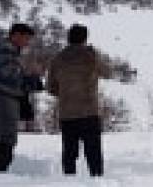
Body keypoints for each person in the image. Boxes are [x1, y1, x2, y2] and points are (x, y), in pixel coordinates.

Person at [48, 24, 112, 177]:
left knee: (69, 151)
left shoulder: (57, 59)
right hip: (89, 111)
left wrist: (65, 93)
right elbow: (107, 72)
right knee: (93, 151)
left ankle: (69, 179)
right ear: (85, 38)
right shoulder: (90, 56)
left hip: (67, 113)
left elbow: (50, 87)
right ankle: (96, 179)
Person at [0, 22, 43, 171]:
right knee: (5, 139)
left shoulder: (11, 53)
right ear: (16, 35)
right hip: (4, 101)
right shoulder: (4, 51)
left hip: (8, 101)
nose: (27, 43)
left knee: (7, 138)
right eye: (26, 38)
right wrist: (30, 79)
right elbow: (7, 75)